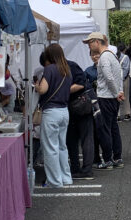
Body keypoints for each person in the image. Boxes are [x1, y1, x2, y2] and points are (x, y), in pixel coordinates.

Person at [84, 32, 124, 170]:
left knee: (105, 129)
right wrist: (119, 92)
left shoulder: (104, 57)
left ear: (97, 42)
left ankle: (107, 159)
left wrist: (115, 93)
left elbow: (108, 77)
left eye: (90, 42)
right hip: (112, 97)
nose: (89, 45)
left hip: (106, 97)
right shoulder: (112, 56)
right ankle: (117, 157)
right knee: (113, 128)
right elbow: (118, 76)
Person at [34, 44, 72, 188]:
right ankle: (66, 178)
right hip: (64, 111)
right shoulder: (66, 70)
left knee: (50, 148)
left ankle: (55, 181)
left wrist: (37, 86)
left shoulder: (49, 69)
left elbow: (43, 89)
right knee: (62, 146)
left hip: (51, 112)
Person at [66, 52, 95, 182]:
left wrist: (63, 90)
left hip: (77, 106)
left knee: (77, 139)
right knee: (82, 138)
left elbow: (81, 84)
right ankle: (81, 168)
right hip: (79, 106)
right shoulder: (71, 65)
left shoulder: (69, 66)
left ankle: (81, 169)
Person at [118, 46, 131, 122]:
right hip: (125, 79)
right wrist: (123, 78)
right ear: (124, 49)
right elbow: (127, 68)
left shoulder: (115, 55)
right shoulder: (126, 57)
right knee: (126, 96)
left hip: (116, 79)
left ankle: (118, 115)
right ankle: (127, 114)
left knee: (117, 96)